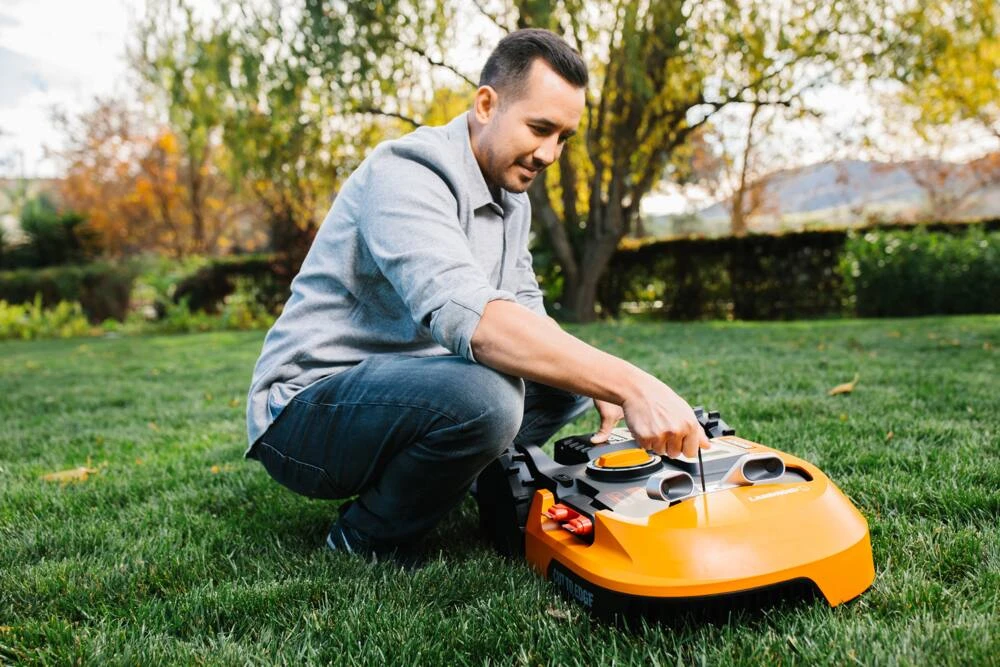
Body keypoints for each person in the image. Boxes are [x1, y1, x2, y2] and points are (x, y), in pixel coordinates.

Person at [244, 28, 709, 562]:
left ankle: (451, 475)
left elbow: (528, 316)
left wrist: (599, 378)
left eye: (563, 138)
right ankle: (366, 535)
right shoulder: (405, 172)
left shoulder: (513, 199)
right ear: (487, 104)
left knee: (568, 383)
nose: (550, 154)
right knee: (488, 400)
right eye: (540, 128)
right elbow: (473, 322)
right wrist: (632, 384)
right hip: (306, 413)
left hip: (411, 391)